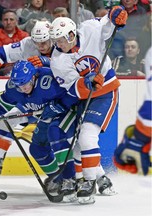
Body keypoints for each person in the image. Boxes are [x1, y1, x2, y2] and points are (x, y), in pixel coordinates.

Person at [0, 60, 79, 202]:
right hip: (39, 112)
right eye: (19, 85)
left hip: (63, 112)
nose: (23, 88)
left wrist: (59, 105)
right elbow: (1, 104)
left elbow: (74, 91)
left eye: (25, 83)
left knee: (59, 136)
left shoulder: (49, 80)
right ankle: (57, 178)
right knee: (35, 147)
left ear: (33, 77)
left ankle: (83, 178)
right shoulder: (15, 87)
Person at [48, 5, 128, 204]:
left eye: (60, 40)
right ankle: (102, 179)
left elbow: (107, 25)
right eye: (55, 40)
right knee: (78, 145)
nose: (57, 44)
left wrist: (115, 13)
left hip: (106, 91)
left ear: (71, 35)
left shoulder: (89, 29)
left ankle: (88, 182)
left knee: (87, 135)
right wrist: (85, 82)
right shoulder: (57, 60)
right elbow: (71, 88)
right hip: (85, 96)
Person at [0, 20, 53, 97]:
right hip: (31, 90)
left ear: (52, 39)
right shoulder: (28, 44)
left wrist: (50, 62)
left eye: (43, 42)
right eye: (36, 42)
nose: (40, 46)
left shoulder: (61, 44)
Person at [114, 46, 151, 176]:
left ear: (138, 50)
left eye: (133, 47)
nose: (129, 49)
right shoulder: (119, 61)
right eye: (127, 47)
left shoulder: (146, 60)